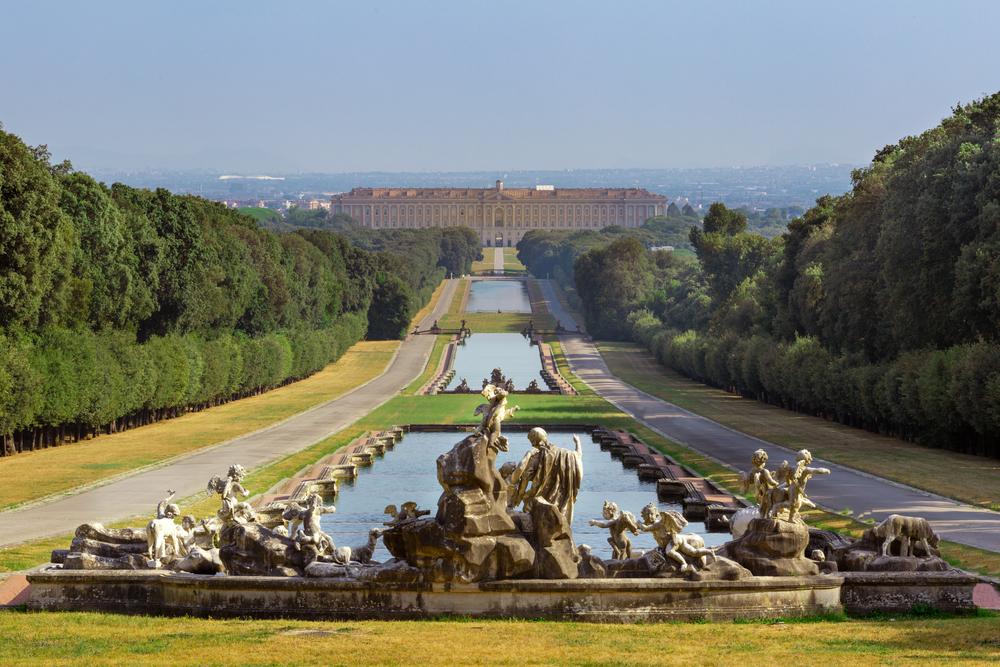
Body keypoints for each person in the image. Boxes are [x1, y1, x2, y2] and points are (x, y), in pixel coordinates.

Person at [509, 427, 583, 523]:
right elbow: (578, 456)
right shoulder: (565, 454)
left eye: (531, 441)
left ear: (533, 441)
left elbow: (523, 478)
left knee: (529, 514)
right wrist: (577, 442)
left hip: (539, 501)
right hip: (561, 501)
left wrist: (519, 496)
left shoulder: (535, 458)